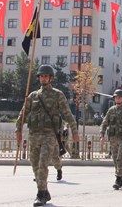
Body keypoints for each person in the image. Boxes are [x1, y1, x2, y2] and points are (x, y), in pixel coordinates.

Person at [15, 65, 79, 207]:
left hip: (49, 135)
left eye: (46, 76)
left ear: (51, 78)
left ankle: (41, 194)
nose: (43, 78)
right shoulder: (33, 96)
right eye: (41, 76)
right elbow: (23, 114)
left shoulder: (58, 95)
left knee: (43, 164)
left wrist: (74, 131)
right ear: (39, 78)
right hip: (34, 135)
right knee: (34, 165)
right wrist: (18, 131)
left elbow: (67, 113)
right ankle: (45, 191)